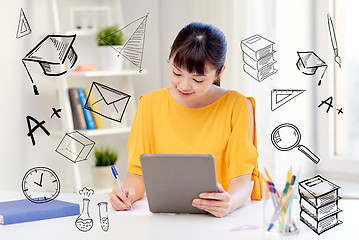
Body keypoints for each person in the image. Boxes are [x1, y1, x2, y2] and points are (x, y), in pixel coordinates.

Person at [109, 22, 263, 218]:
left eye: (198, 79)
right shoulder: (149, 104)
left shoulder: (237, 105)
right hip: (167, 220)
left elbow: (242, 181)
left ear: (219, 72)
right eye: (176, 72)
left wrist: (230, 202)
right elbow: (137, 175)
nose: (184, 85)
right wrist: (127, 194)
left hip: (218, 222)